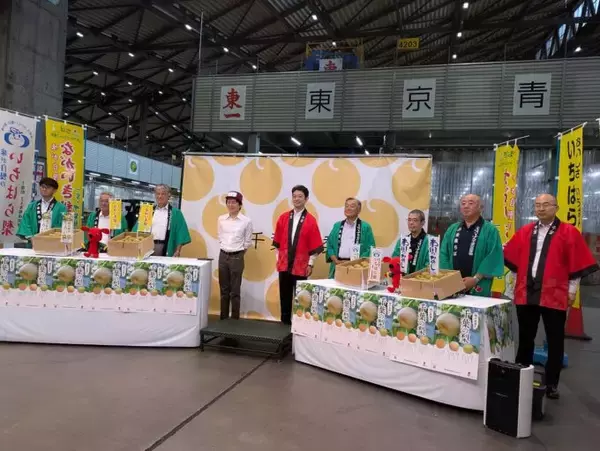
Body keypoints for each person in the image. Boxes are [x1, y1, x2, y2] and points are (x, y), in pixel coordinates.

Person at [504, 193, 599, 399]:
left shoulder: (568, 232)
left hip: (554, 293)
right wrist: (514, 287)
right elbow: (513, 261)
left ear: (556, 207)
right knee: (525, 338)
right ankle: (522, 375)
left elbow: (576, 266)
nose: (541, 208)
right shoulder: (525, 231)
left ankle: (551, 383)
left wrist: (572, 291)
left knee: (555, 340)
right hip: (527, 292)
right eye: (537, 205)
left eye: (546, 204)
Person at [273, 185, 323, 325]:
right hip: (284, 264)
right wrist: (279, 260)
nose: (297, 199)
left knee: (301, 297)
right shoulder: (283, 218)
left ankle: (300, 325)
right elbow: (277, 243)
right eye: (294, 196)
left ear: (306, 199)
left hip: (301, 265)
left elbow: (314, 245)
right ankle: (284, 323)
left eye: (300, 196)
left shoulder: (311, 220)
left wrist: (310, 264)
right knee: (284, 295)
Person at [440, 194, 504, 297]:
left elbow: (493, 257)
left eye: (471, 203)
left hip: (478, 283)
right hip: (452, 283)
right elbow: (443, 254)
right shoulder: (452, 229)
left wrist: (475, 279)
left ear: (480, 208)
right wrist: (449, 277)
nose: (466, 206)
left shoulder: (490, 230)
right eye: (463, 203)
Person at [218, 191, 253, 320]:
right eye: (228, 202)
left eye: (234, 202)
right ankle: (223, 318)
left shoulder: (246, 221)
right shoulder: (221, 219)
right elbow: (220, 236)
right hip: (223, 255)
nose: (231, 205)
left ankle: (234, 320)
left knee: (235, 291)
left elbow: (247, 242)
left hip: (237, 256)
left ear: (240, 205)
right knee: (223, 289)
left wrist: (237, 253)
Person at [133, 184, 191, 257]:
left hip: (165, 247)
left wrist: (178, 250)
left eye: (163, 194)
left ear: (168, 195)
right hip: (147, 246)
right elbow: (137, 230)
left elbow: (181, 233)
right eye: (158, 194)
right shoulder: (147, 211)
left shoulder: (176, 213)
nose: (160, 196)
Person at [325, 197, 376, 278]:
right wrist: (335, 260)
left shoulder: (365, 227)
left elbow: (370, 248)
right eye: (346, 206)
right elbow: (330, 245)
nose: (348, 208)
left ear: (359, 210)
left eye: (352, 206)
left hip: (356, 267)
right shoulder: (337, 225)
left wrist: (355, 262)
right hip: (338, 265)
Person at [17, 177, 67, 245]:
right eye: (42, 187)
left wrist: (53, 236)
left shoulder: (61, 208)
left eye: (48, 187)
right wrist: (31, 237)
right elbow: (25, 222)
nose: (44, 189)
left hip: (53, 243)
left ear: (54, 190)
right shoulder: (32, 206)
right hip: (33, 243)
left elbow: (63, 226)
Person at [392, 209, 430, 274]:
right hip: (403, 278)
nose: (411, 223)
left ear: (423, 222)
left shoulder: (429, 241)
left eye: (415, 220)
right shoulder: (402, 241)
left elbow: (429, 265)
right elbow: (395, 259)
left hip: (421, 278)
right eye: (409, 220)